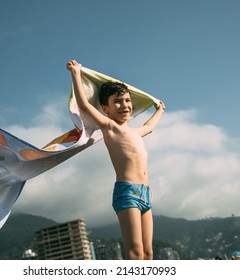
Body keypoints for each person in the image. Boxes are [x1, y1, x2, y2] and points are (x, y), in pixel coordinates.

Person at [66, 60, 165, 260]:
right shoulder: (109, 128)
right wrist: (76, 74)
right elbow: (84, 105)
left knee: (148, 253)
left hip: (145, 193)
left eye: (128, 101)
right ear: (106, 108)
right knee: (135, 253)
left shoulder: (136, 133)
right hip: (126, 192)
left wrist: (159, 110)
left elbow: (150, 126)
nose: (125, 105)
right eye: (117, 101)